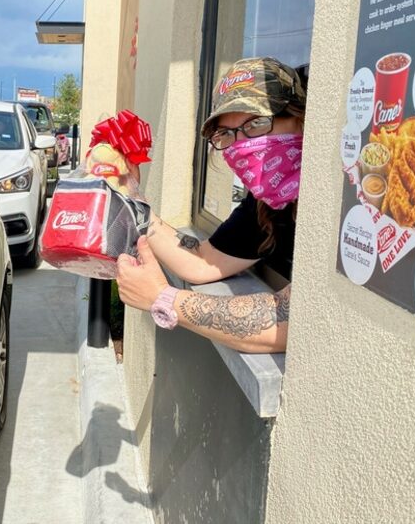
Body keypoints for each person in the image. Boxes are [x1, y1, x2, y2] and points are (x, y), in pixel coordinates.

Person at [116, 57, 305, 353]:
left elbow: (298, 321)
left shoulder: (339, 201)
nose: (242, 144)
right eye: (227, 134)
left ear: (301, 119)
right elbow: (203, 261)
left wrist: (164, 299)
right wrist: (133, 199)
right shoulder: (268, 202)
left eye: (256, 123)